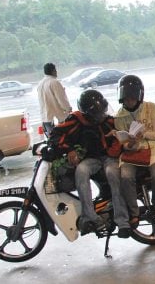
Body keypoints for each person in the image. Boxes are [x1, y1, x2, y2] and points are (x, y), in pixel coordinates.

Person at [45, 89, 131, 237]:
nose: (101, 116)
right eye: (97, 114)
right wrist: (70, 149)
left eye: (102, 112)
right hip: (91, 159)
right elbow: (55, 134)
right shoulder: (75, 119)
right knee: (81, 170)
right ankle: (90, 217)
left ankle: (122, 221)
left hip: (110, 158)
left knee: (113, 174)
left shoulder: (109, 120)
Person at [115, 75, 155, 229]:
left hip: (152, 148)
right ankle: (134, 213)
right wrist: (130, 144)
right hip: (132, 152)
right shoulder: (119, 116)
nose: (129, 102)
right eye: (126, 99)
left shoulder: (150, 108)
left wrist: (143, 134)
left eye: (132, 99)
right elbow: (123, 144)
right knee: (126, 177)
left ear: (139, 96)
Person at [36, 62, 72, 137]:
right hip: (58, 118)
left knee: (52, 142)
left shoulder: (40, 84)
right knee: (63, 141)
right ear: (53, 71)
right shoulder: (54, 82)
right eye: (55, 70)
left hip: (45, 119)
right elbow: (61, 100)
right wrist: (68, 109)